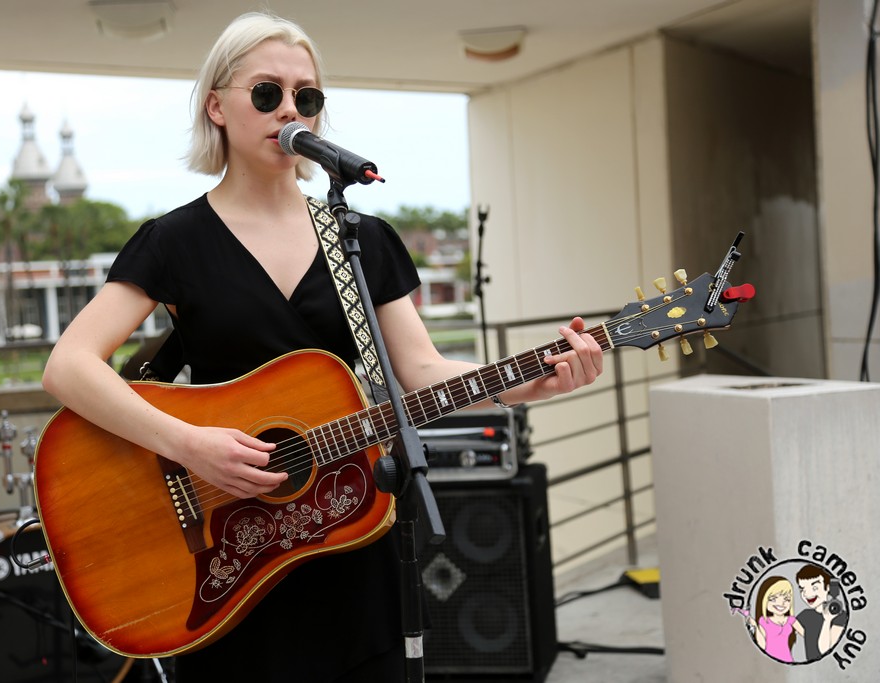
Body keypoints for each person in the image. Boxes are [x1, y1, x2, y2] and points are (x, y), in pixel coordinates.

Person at [41, 10, 603, 682]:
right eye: (267, 92)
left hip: (347, 548)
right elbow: (68, 365)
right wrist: (186, 443)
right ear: (217, 106)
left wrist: (529, 381)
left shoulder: (360, 238)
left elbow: (419, 371)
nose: (289, 109)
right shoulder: (174, 242)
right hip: (225, 562)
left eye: (306, 96)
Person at [746, 576, 804, 663]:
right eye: (773, 599)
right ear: (764, 601)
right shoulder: (764, 621)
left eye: (787, 599)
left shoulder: (791, 620)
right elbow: (762, 645)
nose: (781, 603)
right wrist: (754, 626)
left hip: (788, 660)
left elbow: (807, 635)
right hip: (768, 661)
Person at [795, 564, 847, 661]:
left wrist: (827, 620)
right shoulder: (805, 615)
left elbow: (825, 650)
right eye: (803, 589)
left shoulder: (840, 616)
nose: (807, 594)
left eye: (814, 588)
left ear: (827, 587)